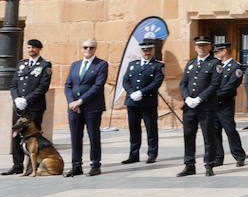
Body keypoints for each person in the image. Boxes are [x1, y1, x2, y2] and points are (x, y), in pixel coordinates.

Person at [5, 39, 53, 175]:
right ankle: (17, 164)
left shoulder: (45, 65)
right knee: (15, 134)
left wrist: (27, 99)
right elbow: (13, 84)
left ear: (39, 49)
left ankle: (33, 165)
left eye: (33, 48)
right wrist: (17, 99)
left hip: (34, 107)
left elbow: (43, 86)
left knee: (34, 137)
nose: (31, 50)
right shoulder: (22, 64)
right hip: (19, 107)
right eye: (29, 47)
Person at [63, 39, 109, 177]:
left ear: (95, 49)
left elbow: (98, 86)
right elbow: (68, 85)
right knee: (75, 137)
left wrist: (81, 101)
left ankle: (95, 165)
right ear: (82, 48)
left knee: (93, 135)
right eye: (85, 47)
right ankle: (76, 165)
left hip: (92, 106)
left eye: (91, 48)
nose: (88, 50)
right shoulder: (75, 65)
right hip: (74, 107)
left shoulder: (101, 64)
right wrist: (72, 101)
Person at [178, 35, 221, 177]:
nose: (201, 48)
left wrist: (200, 98)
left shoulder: (215, 63)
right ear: (195, 47)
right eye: (198, 46)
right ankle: (189, 165)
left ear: (210, 47)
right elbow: (183, 83)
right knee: (188, 136)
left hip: (206, 107)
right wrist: (187, 98)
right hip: (190, 107)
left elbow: (215, 85)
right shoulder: (190, 63)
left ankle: (209, 164)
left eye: (204, 45)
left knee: (208, 136)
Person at [120, 39, 163, 165]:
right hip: (132, 102)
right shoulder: (133, 64)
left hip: (148, 102)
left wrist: (142, 92)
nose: (147, 52)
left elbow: (157, 82)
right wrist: (131, 92)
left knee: (151, 129)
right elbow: (125, 80)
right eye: (144, 50)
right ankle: (133, 154)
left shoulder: (158, 65)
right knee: (134, 129)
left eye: (149, 50)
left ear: (153, 50)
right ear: (141, 51)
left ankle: (152, 154)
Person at [210, 40, 246, 168]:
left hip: (225, 104)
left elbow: (231, 86)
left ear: (224, 51)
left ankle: (239, 155)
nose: (215, 54)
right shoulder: (216, 66)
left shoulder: (236, 67)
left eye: (217, 51)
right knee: (214, 131)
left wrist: (214, 95)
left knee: (230, 130)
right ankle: (218, 157)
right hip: (214, 105)